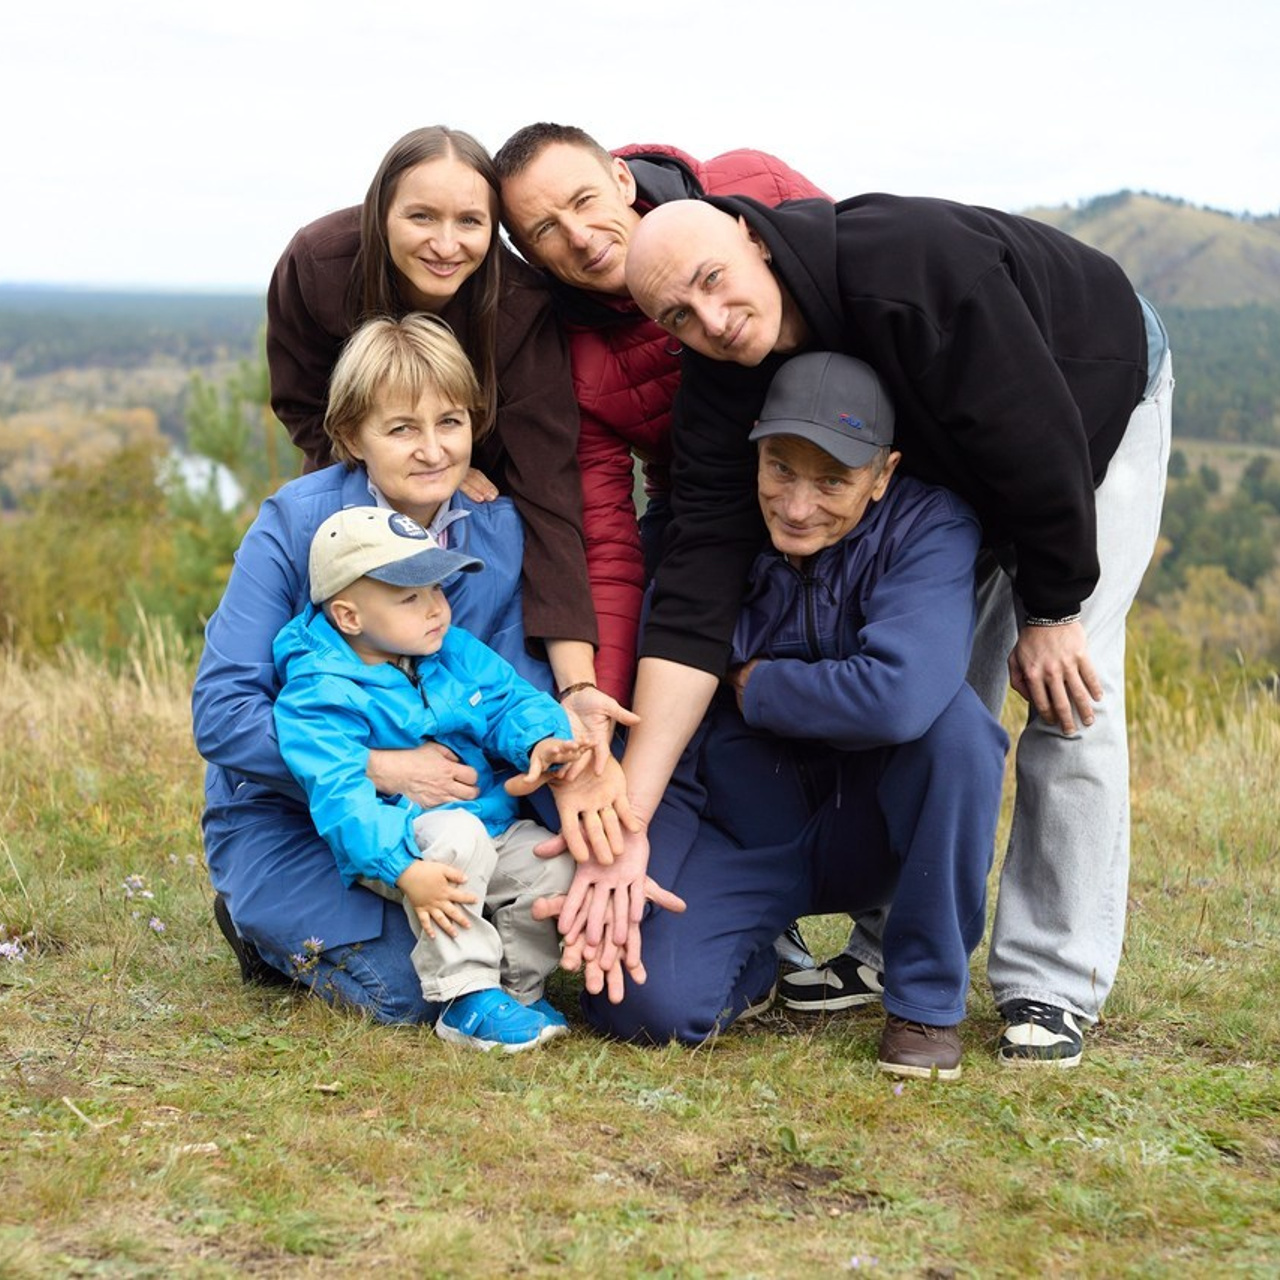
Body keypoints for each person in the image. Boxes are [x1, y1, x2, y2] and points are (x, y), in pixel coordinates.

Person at [598, 193, 1171, 1068]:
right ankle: (885, 946)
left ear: (753, 239)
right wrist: (629, 813)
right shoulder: (722, 380)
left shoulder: (912, 269)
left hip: (1084, 402)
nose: (711, 319)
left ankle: (1051, 981)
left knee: (1065, 690)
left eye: (714, 280)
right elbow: (700, 575)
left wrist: (1051, 608)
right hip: (925, 452)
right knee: (944, 685)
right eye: (680, 314)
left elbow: (1036, 437)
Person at [194, 313, 650, 1024]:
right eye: (401, 428)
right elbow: (222, 716)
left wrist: (542, 756)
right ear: (352, 437)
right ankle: (259, 930)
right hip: (296, 810)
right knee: (410, 993)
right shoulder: (295, 526)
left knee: (504, 937)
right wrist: (383, 767)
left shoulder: (494, 527)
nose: (433, 449)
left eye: (451, 422)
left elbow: (503, 687)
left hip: (450, 814)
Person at [580, 352, 1007, 1078]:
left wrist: (760, 687)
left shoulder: (931, 528)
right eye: (780, 469)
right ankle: (754, 960)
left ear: (883, 474)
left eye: (833, 481)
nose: (798, 505)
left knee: (958, 729)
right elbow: (662, 721)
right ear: (754, 446)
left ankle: (925, 1004)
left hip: (869, 828)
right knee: (638, 1004)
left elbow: (901, 695)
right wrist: (636, 849)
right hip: (740, 827)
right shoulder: (710, 532)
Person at [266, 125, 606, 723]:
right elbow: (301, 402)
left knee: (463, 651)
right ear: (381, 212)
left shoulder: (519, 305)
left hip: (481, 497)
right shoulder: (319, 265)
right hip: (354, 475)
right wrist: (383, 473)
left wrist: (576, 686)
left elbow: (548, 486)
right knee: (332, 633)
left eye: (470, 222)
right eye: (422, 217)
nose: (446, 245)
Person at [493, 123, 829, 706]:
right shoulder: (570, 355)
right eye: (546, 229)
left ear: (620, 178)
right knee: (663, 626)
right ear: (530, 254)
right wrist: (601, 699)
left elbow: (853, 294)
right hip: (700, 500)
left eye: (584, 200)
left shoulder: (752, 185)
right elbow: (607, 538)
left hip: (847, 454)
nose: (578, 236)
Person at [272, 506, 584, 1051]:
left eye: (437, 589)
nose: (436, 608)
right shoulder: (319, 689)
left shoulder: (451, 651)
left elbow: (508, 699)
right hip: (397, 841)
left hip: (484, 824)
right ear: (349, 617)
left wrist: (540, 739)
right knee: (457, 838)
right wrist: (402, 868)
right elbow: (342, 796)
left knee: (550, 860)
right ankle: (465, 998)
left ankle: (517, 990)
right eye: (409, 598)